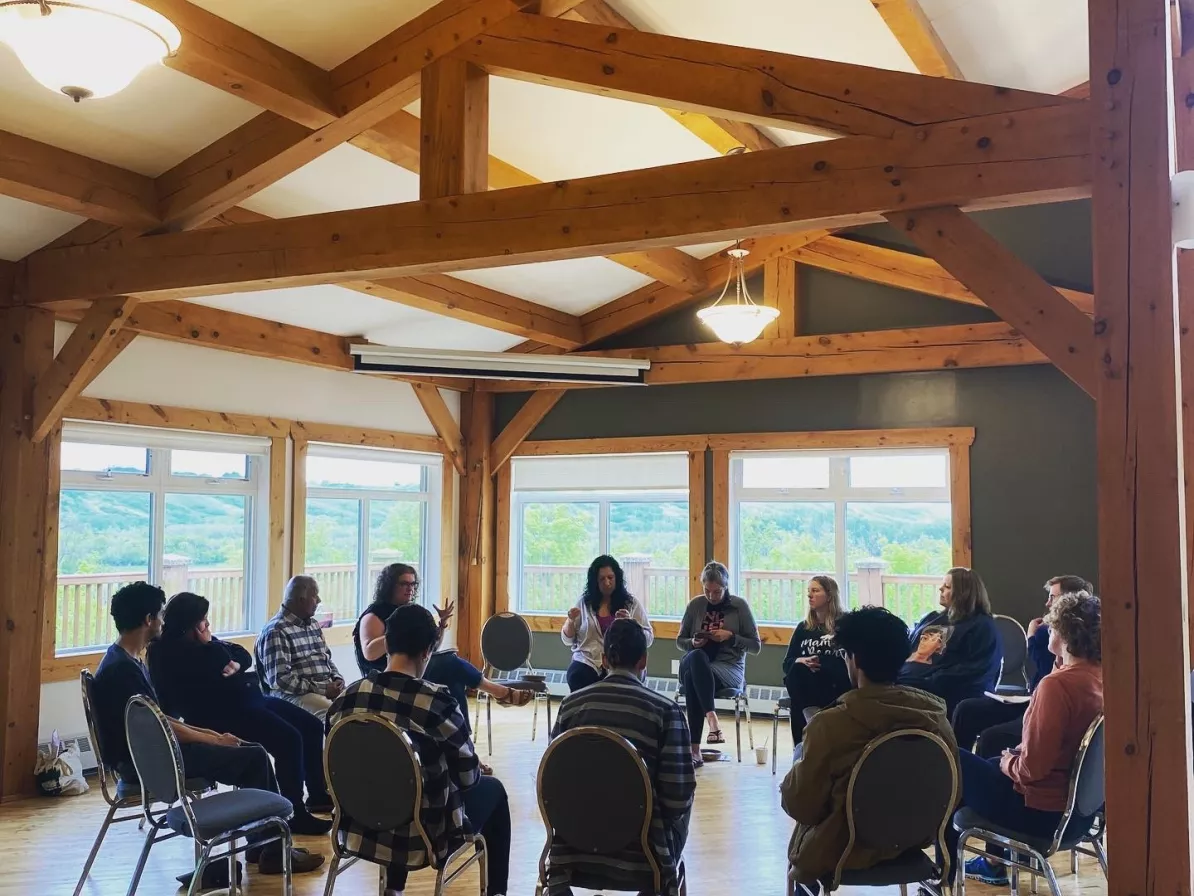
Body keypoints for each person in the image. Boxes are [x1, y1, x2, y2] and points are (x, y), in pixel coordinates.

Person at [91, 582, 325, 880]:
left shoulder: (122, 660)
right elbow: (161, 727)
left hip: (150, 755)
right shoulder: (123, 670)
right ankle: (271, 849)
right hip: (153, 763)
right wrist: (215, 739)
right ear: (148, 619)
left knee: (250, 750)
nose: (164, 620)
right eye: (160, 614)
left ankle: (265, 846)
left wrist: (213, 737)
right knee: (253, 757)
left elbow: (159, 719)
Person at [327, 604, 512, 896]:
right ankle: (497, 892)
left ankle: (393, 889)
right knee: (495, 791)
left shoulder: (346, 701)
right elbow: (468, 779)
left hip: (357, 828)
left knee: (389, 783)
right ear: (427, 651)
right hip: (424, 836)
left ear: (387, 642)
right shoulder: (435, 703)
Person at [781, 606, 957, 887]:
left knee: (802, 848)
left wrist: (794, 775)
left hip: (845, 849)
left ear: (854, 659)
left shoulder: (830, 725)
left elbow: (802, 807)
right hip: (913, 843)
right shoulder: (936, 718)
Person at [146, 591, 333, 835]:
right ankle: (293, 810)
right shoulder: (172, 653)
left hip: (250, 701)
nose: (208, 625)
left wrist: (231, 661)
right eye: (204, 621)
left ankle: (317, 794)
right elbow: (220, 656)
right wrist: (217, 649)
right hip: (223, 714)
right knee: (289, 739)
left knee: (310, 726)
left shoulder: (199, 646)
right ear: (191, 626)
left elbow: (241, 653)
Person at [953, 592, 1103, 887]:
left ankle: (945, 863)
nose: (1048, 628)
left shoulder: (1058, 687)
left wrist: (1010, 760)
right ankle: (994, 861)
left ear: (1066, 633)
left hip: (1040, 813)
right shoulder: (1099, 676)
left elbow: (1031, 770)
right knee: (991, 761)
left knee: (949, 756)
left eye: (1053, 625)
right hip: (1078, 813)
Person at [548, 619, 695, 896]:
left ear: (603, 660)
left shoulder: (570, 706)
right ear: (643, 660)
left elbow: (552, 783)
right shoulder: (665, 712)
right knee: (684, 797)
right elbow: (677, 799)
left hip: (572, 849)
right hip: (642, 856)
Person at [353, 564, 532, 731]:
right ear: (390, 585)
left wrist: (441, 626)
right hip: (384, 672)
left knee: (453, 681)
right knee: (450, 663)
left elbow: (432, 648)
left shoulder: (411, 611)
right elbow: (369, 652)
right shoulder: (374, 614)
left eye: (413, 584)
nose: (410, 589)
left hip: (414, 667)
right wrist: (398, 632)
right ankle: (496, 692)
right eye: (404, 584)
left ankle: (465, 739)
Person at [951, 575, 1093, 756]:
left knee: (990, 738)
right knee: (967, 709)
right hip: (1031, 699)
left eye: (1053, 597)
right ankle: (957, 770)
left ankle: (985, 778)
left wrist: (1033, 637)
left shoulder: (1053, 640)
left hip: (1043, 704)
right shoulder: (1055, 647)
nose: (1048, 604)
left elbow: (1040, 669)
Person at [676, 561, 762, 765]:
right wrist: (694, 642)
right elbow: (680, 641)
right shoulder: (696, 605)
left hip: (728, 667)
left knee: (692, 678)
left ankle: (694, 749)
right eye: (707, 591)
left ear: (726, 587)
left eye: (717, 591)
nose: (712, 596)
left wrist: (730, 637)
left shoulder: (739, 606)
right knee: (696, 658)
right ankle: (712, 718)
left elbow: (755, 646)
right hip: (696, 661)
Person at [899, 567, 1002, 715]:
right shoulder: (932, 618)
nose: (940, 589)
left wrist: (928, 681)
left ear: (964, 594)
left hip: (940, 692)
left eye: (947, 587)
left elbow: (974, 670)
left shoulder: (982, 626)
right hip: (906, 683)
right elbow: (907, 648)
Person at [256, 575, 345, 720]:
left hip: (323, 690)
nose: (319, 601)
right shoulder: (276, 631)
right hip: (292, 696)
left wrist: (337, 678)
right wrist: (323, 689)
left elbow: (327, 659)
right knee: (333, 715)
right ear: (300, 599)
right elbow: (281, 680)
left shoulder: (314, 625)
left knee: (357, 708)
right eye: (315, 596)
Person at [561, 555, 654, 692]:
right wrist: (570, 620)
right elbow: (567, 640)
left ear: (617, 578)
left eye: (610, 578)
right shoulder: (584, 603)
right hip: (589, 661)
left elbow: (648, 638)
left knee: (622, 683)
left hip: (622, 662)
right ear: (595, 582)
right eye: (602, 579)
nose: (607, 582)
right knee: (577, 675)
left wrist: (631, 624)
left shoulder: (631, 603)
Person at [782, 576, 851, 744]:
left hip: (834, 685)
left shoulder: (845, 625)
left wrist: (823, 664)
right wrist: (802, 660)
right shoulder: (803, 628)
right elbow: (787, 663)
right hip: (807, 686)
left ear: (829, 595)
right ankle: (812, 722)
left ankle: (813, 724)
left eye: (815, 591)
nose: (809, 596)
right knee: (797, 669)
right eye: (808, 591)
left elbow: (851, 660)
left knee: (800, 694)